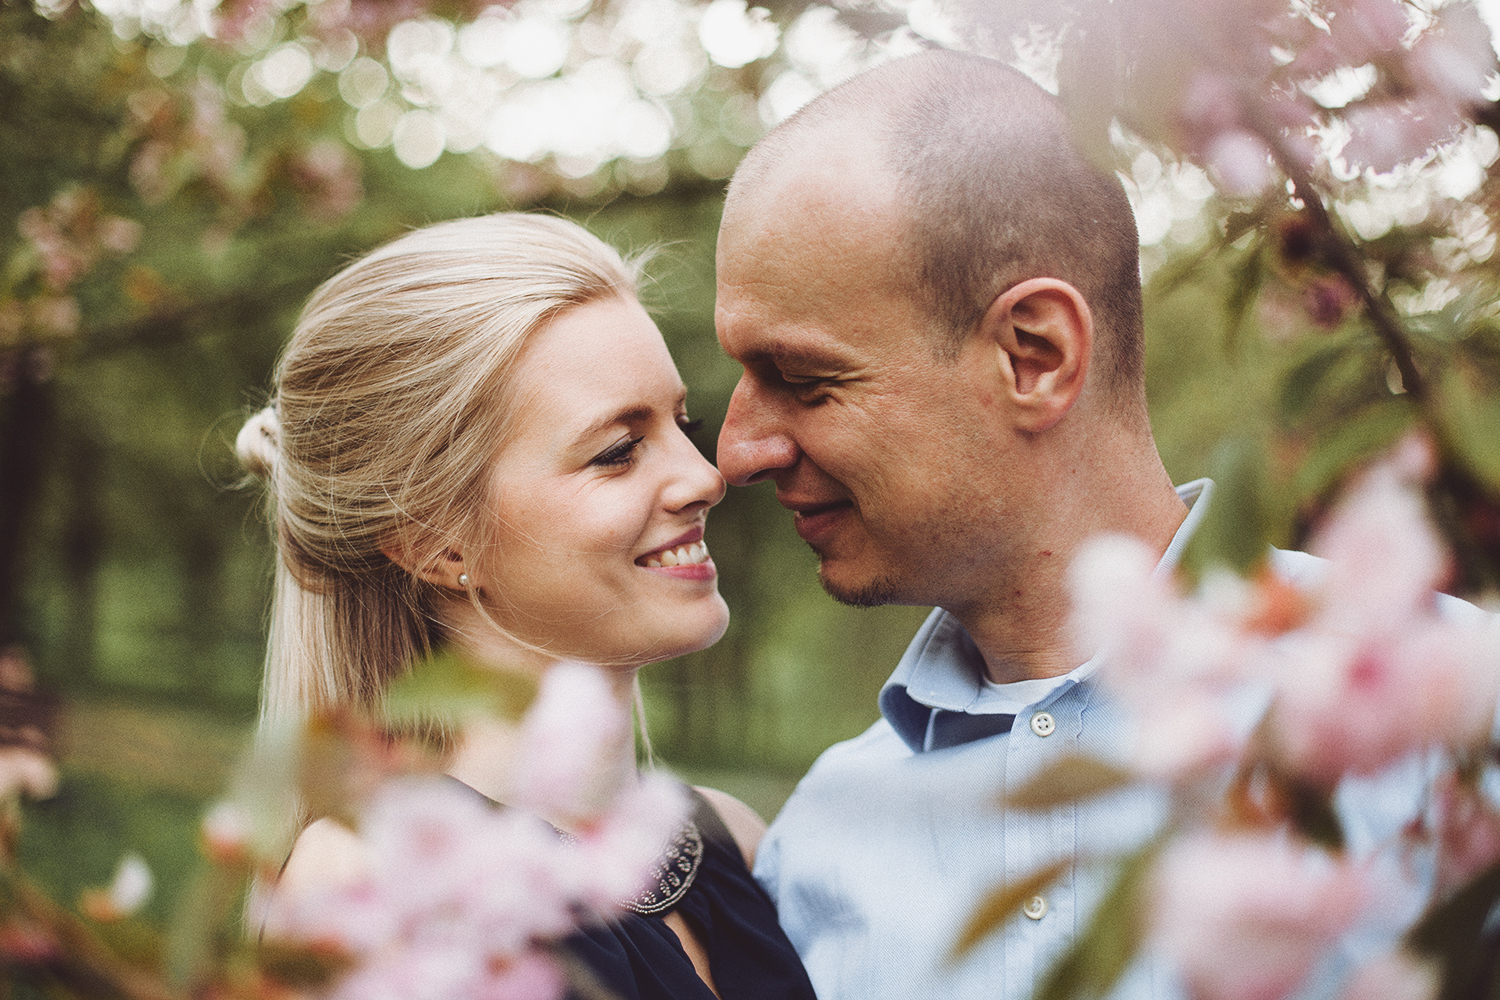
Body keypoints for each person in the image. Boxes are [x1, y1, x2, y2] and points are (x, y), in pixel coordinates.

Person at [714, 49, 1500, 1000]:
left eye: (803, 381)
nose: (737, 453)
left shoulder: (1444, 714)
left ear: (1034, 357)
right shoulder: (815, 849)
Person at [235, 212, 818, 1000]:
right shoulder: (371, 890)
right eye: (617, 451)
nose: (705, 476)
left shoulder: (732, 842)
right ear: (436, 542)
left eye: (685, 424)